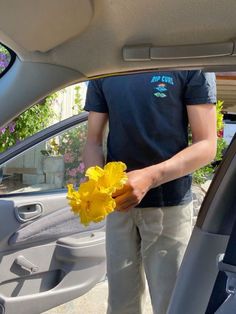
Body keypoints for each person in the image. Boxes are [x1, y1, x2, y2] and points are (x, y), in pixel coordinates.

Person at [83, 71, 217, 314]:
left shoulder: (189, 63)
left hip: (170, 207)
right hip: (118, 206)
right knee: (120, 305)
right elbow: (93, 141)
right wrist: (97, 187)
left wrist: (151, 177)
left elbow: (207, 145)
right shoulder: (107, 66)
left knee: (171, 305)